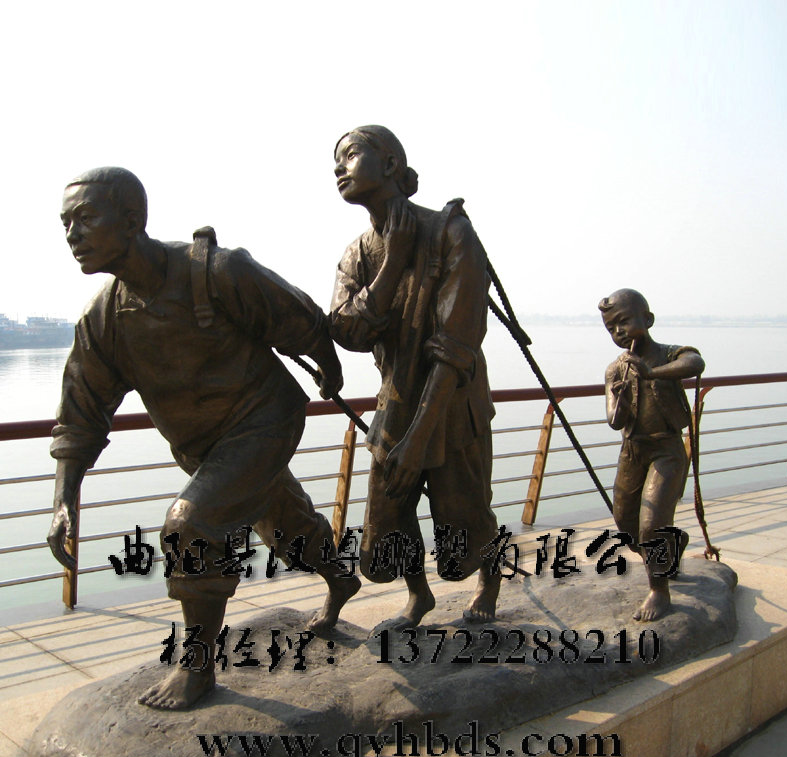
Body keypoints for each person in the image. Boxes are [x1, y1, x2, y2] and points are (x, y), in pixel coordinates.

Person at [48, 167, 360, 710]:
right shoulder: (104, 319)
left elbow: (294, 314)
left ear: (131, 221)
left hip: (265, 419)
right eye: (65, 223)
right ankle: (340, 578)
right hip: (202, 448)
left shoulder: (214, 271)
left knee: (189, 524)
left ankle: (196, 667)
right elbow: (80, 415)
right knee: (282, 522)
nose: (72, 234)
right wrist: (62, 501)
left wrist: (328, 367)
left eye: (85, 218)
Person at [330, 125, 502, 630]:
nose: (338, 167)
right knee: (387, 519)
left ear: (389, 164)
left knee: (465, 517)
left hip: (453, 402)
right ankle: (418, 595)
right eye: (335, 160)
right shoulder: (359, 253)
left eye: (350, 155)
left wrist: (419, 438)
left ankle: (489, 579)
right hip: (396, 399)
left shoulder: (451, 231)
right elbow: (346, 329)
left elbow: (456, 345)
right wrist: (393, 264)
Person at [599, 288, 704, 621]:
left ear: (648, 319)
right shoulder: (615, 370)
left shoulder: (670, 354)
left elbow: (695, 363)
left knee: (651, 526)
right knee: (627, 526)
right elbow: (614, 421)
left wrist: (651, 373)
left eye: (624, 321)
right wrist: (620, 399)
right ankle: (674, 544)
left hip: (666, 450)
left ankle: (659, 590)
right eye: (611, 327)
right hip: (632, 451)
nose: (619, 331)